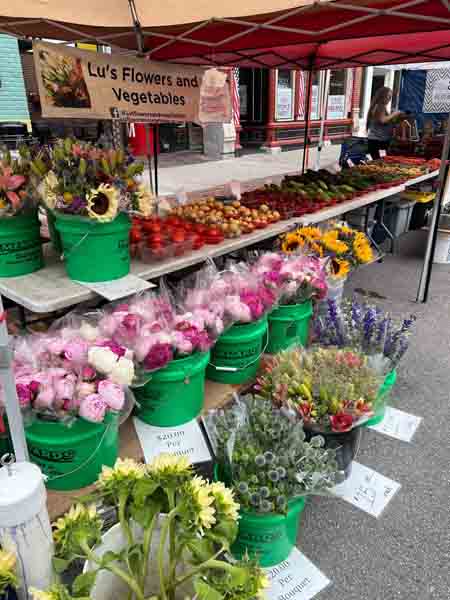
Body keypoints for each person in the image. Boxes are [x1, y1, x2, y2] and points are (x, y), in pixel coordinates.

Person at [367, 87, 405, 159]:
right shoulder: (379, 106)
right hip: (377, 141)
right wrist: (395, 114)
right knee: (379, 163)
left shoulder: (381, 106)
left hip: (379, 140)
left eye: (391, 97)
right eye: (388, 96)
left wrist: (395, 119)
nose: (389, 99)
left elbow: (384, 122)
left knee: (381, 163)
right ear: (382, 96)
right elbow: (382, 120)